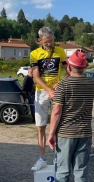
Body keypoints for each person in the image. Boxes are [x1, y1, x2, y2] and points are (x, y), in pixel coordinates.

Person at [47, 51, 94, 182]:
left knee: (62, 172)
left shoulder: (63, 85)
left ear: (68, 66)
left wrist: (51, 133)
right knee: (81, 173)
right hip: (84, 133)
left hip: (66, 134)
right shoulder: (91, 84)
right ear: (85, 68)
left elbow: (57, 110)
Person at [30, 26, 68, 171]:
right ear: (40, 41)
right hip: (42, 92)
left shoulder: (60, 51)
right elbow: (36, 76)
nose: (49, 44)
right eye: (46, 42)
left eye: (51, 41)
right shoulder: (34, 54)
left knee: (58, 125)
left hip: (58, 90)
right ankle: (42, 158)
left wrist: (62, 82)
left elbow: (68, 70)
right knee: (41, 127)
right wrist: (48, 90)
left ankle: (58, 158)